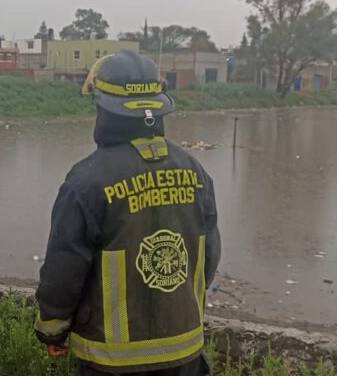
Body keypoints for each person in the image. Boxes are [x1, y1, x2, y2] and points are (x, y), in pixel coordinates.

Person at [35, 50, 220, 375]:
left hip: (112, 361)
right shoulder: (196, 173)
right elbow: (210, 257)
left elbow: (64, 270)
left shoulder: (87, 181)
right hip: (185, 354)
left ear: (104, 110)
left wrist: (52, 329)